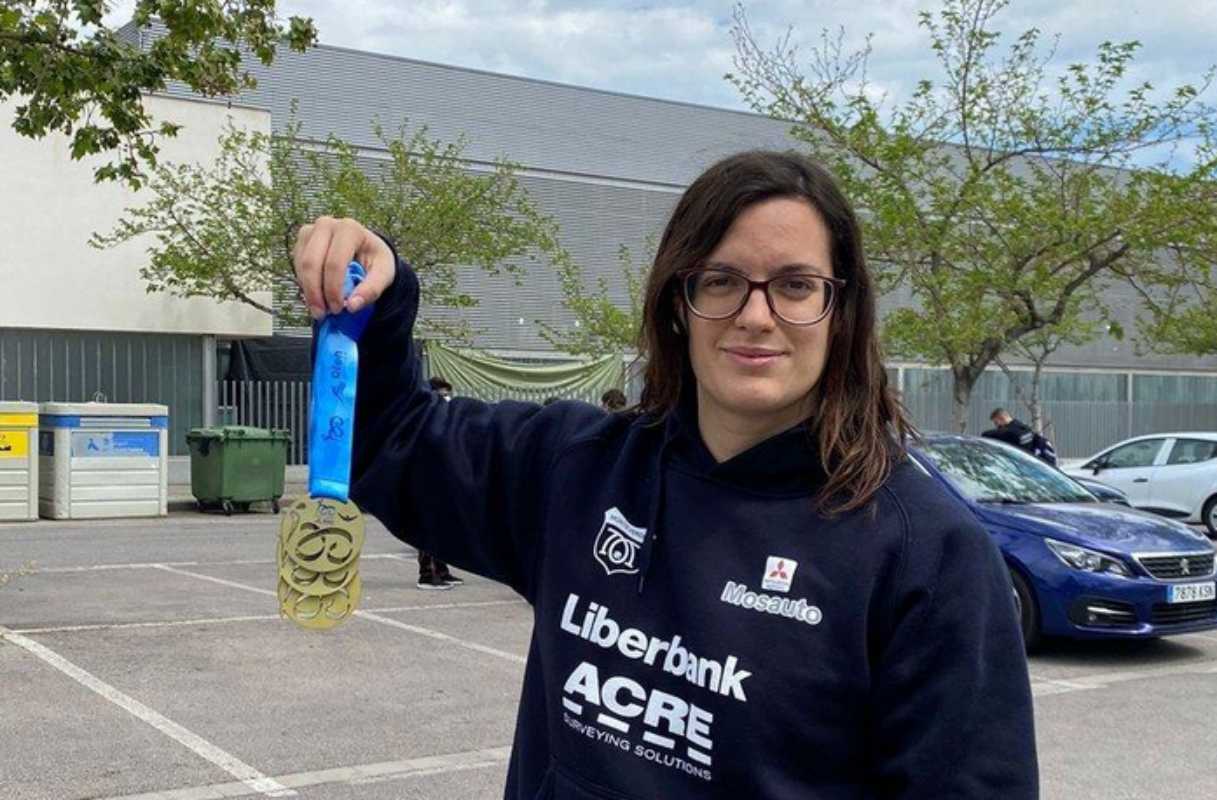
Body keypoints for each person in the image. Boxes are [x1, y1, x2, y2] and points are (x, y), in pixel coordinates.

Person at [292, 151, 1037, 798]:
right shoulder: (574, 471)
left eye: (795, 285)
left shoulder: (924, 552)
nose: (754, 315)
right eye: (721, 280)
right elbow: (391, 439)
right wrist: (372, 300)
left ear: (840, 310)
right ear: (677, 303)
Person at [410, 376, 463, 589]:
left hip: (442, 479)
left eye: (447, 394)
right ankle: (426, 574)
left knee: (442, 528)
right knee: (428, 528)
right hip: (425, 480)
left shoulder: (444, 420)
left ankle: (442, 570)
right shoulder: (423, 420)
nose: (446, 398)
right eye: (441, 394)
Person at [983, 407, 1058, 466]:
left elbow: (986, 434)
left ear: (1002, 418)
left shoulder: (1009, 433)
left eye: (996, 422)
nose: (996, 426)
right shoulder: (1024, 428)